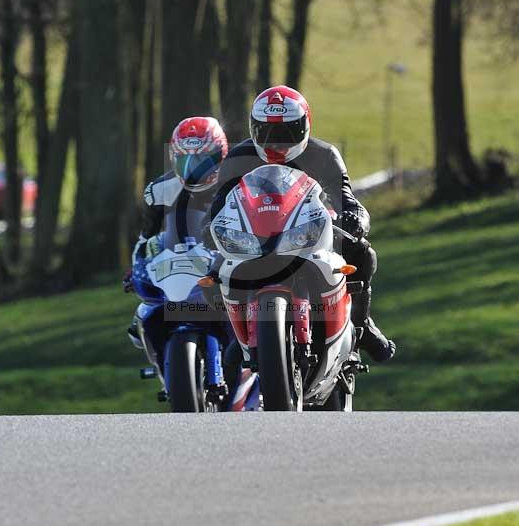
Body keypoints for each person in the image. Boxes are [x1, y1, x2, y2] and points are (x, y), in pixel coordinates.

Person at [202, 85, 395, 362]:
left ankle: (361, 324)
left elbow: (348, 200)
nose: (276, 142)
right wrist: (209, 229)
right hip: (255, 237)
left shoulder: (324, 155)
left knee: (363, 252)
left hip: (308, 231)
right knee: (214, 273)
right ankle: (239, 334)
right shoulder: (236, 159)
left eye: (286, 133)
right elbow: (217, 205)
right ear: (253, 129)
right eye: (266, 133)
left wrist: (356, 219)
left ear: (305, 127)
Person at [123, 116, 229, 335]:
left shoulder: (235, 184)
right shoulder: (159, 190)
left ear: (221, 155)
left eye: (202, 161)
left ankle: (255, 350)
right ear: (173, 158)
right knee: (143, 313)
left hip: (226, 258)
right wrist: (136, 267)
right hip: (182, 259)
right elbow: (147, 236)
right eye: (184, 161)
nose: (193, 170)